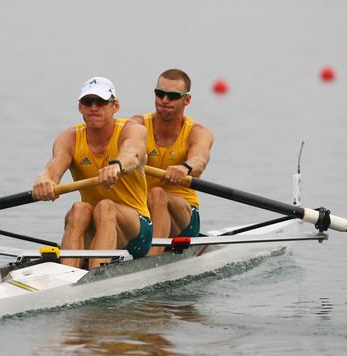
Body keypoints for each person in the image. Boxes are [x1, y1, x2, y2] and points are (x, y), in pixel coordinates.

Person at [32, 76, 152, 269]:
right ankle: (66, 274)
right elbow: (53, 169)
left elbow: (133, 153)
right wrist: (44, 181)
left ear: (115, 106)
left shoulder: (132, 130)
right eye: (88, 102)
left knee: (106, 206)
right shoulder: (68, 138)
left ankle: (95, 274)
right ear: (80, 107)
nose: (94, 107)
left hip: (136, 231)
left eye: (101, 101)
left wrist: (117, 166)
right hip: (93, 227)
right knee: (79, 208)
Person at [131, 69, 214, 255]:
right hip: (142, 212)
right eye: (160, 94)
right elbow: (128, 144)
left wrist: (185, 167)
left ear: (187, 100)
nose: (165, 100)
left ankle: (151, 259)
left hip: (183, 218)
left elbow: (199, 160)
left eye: (173, 96)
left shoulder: (198, 132)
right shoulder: (137, 124)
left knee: (157, 194)